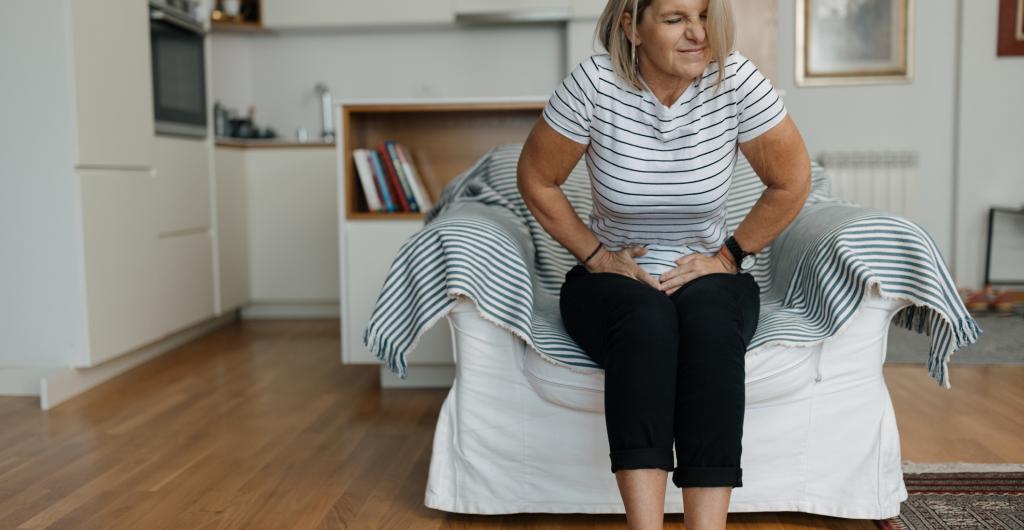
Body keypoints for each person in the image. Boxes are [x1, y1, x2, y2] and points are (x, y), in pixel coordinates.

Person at [516, 0, 812, 528]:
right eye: (675, 19)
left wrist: (729, 256)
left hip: (707, 273)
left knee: (709, 323)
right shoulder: (594, 83)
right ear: (631, 25)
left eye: (702, 15)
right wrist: (597, 255)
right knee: (648, 321)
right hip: (611, 279)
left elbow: (791, 179)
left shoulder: (734, 80)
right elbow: (537, 178)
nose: (698, 33)